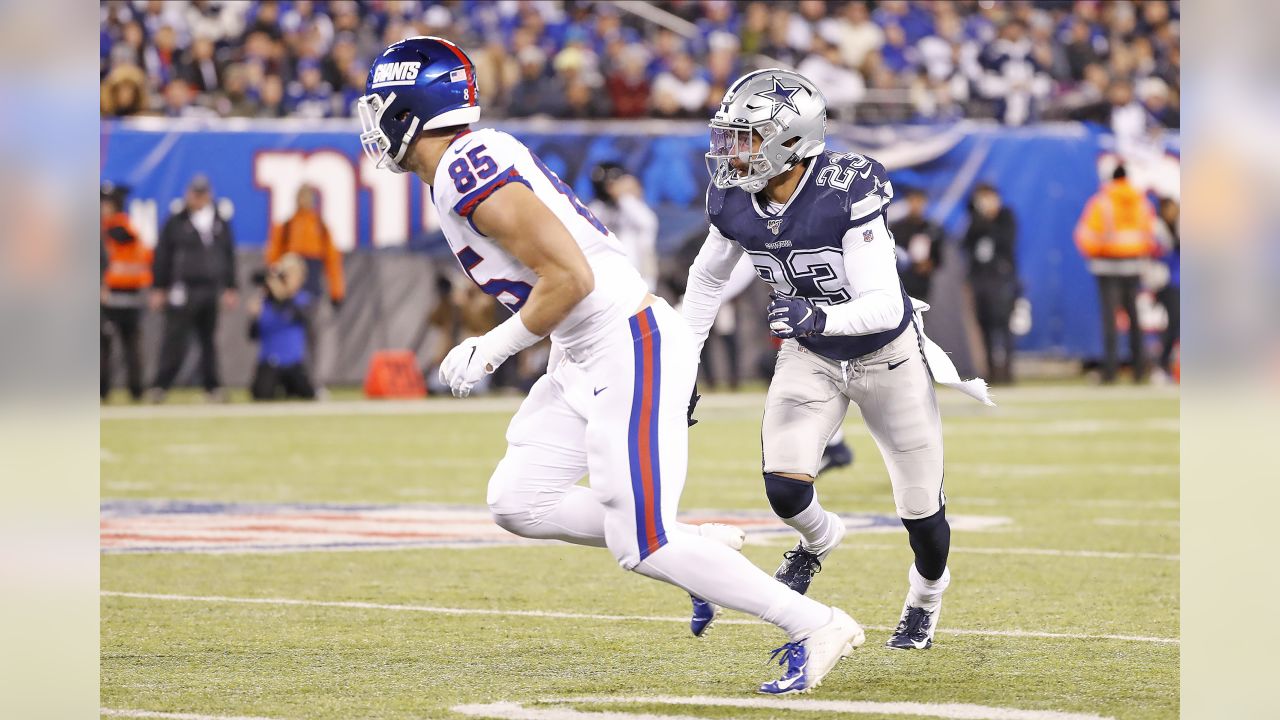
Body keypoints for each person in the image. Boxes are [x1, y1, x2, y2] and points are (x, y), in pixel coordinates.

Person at [357, 37, 862, 695]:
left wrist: (492, 347)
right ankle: (689, 542)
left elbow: (571, 278)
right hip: (587, 349)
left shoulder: (462, 167)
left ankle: (816, 622)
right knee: (520, 500)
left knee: (642, 546)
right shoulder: (462, 164)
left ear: (410, 109)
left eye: (382, 107)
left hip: (627, 342)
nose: (373, 123)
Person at [682, 69, 993, 654]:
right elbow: (705, 283)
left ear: (791, 140)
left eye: (747, 137)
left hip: (888, 357)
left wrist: (816, 317)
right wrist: (682, 365)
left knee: (922, 515)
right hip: (811, 354)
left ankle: (926, 597)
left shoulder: (844, 188)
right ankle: (819, 540)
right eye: (730, 136)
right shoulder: (734, 199)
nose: (732, 151)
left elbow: (880, 303)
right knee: (784, 488)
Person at [149, 174, 238, 403]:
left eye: (202, 194)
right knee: (174, 339)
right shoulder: (176, 221)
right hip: (183, 288)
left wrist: (230, 286)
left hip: (210, 288)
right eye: (194, 193)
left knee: (208, 341)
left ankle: (212, 387)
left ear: (209, 195)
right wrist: (159, 286)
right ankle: (161, 385)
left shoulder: (219, 221)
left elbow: (228, 255)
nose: (197, 199)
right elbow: (163, 255)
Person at [1074, 165, 1156, 383]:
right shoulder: (1141, 202)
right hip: (1133, 266)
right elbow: (1150, 235)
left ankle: (1110, 372)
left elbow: (1085, 236)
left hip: (1107, 267)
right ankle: (1140, 370)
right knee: (1135, 320)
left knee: (1110, 321)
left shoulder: (1102, 202)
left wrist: (1098, 251)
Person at [264, 183, 345, 388]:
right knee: (292, 340)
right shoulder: (288, 227)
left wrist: (336, 292)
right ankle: (294, 381)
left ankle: (317, 382)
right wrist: (273, 290)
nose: (305, 201)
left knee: (319, 340)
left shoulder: (320, 226)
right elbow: (273, 261)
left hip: (314, 293)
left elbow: (332, 262)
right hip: (291, 297)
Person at [961, 183, 1019, 384]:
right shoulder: (974, 221)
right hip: (980, 278)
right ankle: (990, 370)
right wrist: (980, 216)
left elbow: (1006, 242)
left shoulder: (1006, 217)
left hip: (1001, 277)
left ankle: (1007, 370)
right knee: (984, 323)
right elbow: (966, 242)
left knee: (1002, 323)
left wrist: (990, 217)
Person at [100, 183, 151, 402]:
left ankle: (136, 389)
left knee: (129, 346)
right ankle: (103, 390)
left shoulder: (120, 228)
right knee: (104, 347)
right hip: (111, 295)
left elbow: (123, 239)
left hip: (122, 294)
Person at [248, 253, 316, 401]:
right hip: (270, 362)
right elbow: (253, 335)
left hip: (293, 363)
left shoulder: (302, 300)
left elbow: (301, 317)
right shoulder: (265, 302)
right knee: (261, 395)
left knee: (307, 394)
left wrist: (281, 294)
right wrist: (254, 317)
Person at [588, 161, 659, 291]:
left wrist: (622, 196)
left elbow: (648, 223)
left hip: (638, 278)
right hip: (607, 279)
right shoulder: (597, 208)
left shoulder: (631, 205)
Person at [890, 187, 945, 302]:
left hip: (921, 287)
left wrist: (928, 264)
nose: (916, 205)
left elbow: (938, 259)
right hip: (898, 287)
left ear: (925, 202)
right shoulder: (897, 229)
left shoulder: (932, 229)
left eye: (919, 201)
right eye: (912, 200)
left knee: (920, 318)